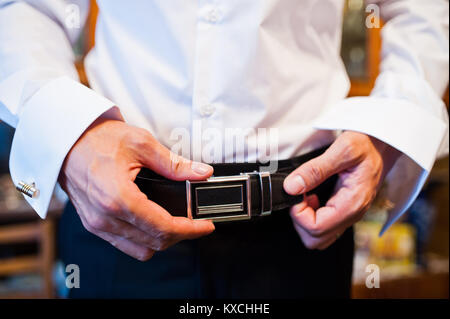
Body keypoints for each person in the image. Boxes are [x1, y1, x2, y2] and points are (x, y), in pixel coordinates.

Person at [0, 0, 448, 298]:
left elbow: (424, 10)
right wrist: (74, 136)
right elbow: (25, 7)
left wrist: (387, 130)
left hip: (302, 223)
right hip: (121, 215)